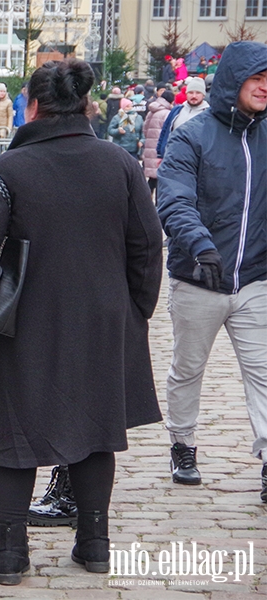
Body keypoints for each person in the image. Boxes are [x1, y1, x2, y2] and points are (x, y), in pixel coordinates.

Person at [0, 58, 163, 585]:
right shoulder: (121, 164)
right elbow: (148, 245)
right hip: (101, 322)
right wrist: (135, 311)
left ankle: (12, 553)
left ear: (34, 106)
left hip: (20, 324)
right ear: (86, 105)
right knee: (95, 432)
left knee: (14, 434)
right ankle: (94, 544)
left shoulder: (10, 169)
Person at [156, 41, 267, 503]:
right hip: (199, 276)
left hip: (254, 280)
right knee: (188, 368)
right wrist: (201, 246)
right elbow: (174, 198)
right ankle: (183, 444)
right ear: (234, 79)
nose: (265, 87)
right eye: (257, 78)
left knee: (263, 373)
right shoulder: (192, 134)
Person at [156, 76, 209, 158]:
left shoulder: (208, 114)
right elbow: (165, 131)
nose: (194, 96)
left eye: (198, 93)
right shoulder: (177, 110)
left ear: (203, 95)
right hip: (172, 158)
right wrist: (160, 153)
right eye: (191, 92)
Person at [141, 89, 174, 196]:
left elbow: (145, 129)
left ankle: (146, 200)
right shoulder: (167, 113)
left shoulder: (152, 110)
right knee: (160, 179)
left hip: (150, 147)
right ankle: (157, 206)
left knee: (151, 179)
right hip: (160, 150)